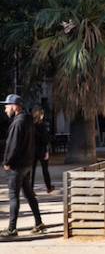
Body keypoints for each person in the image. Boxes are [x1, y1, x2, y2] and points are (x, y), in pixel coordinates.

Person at [1, 94, 46, 237]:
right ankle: (38, 222)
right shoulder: (28, 121)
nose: (5, 109)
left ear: (14, 107)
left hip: (16, 166)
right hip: (26, 165)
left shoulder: (18, 123)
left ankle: (12, 229)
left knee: (14, 197)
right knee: (28, 195)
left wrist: (7, 162)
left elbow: (13, 146)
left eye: (7, 106)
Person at [32, 108, 54, 195]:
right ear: (41, 115)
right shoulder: (43, 125)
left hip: (33, 148)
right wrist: (46, 150)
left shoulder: (31, 125)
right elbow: (45, 139)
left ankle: (31, 188)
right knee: (45, 169)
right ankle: (48, 186)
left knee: (32, 170)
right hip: (41, 149)